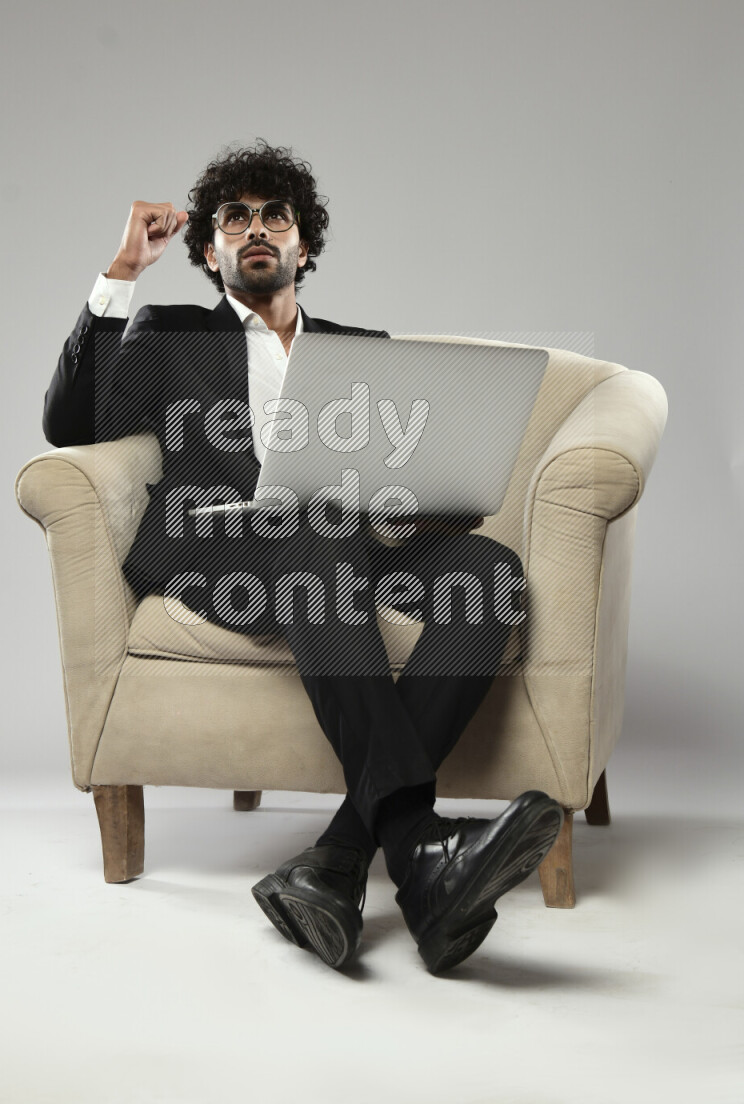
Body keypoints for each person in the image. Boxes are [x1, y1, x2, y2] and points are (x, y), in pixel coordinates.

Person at [43, 140, 563, 974]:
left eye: (274, 215)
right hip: (218, 547)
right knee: (310, 532)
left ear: (304, 245)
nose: (256, 228)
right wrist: (122, 271)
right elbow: (71, 424)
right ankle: (421, 852)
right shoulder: (168, 336)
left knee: (488, 576)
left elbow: (399, 480)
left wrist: (427, 496)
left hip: (346, 549)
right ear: (210, 252)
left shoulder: (366, 347)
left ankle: (339, 863)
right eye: (235, 217)